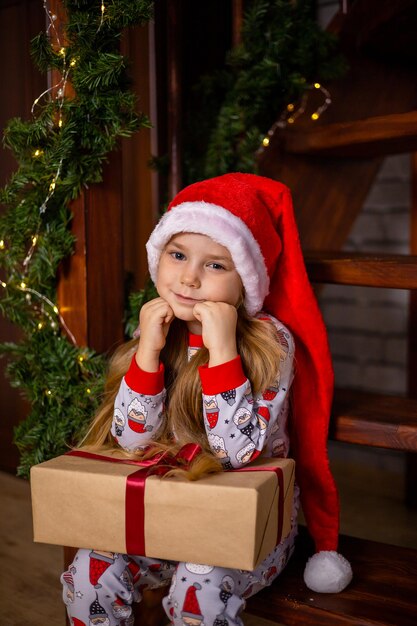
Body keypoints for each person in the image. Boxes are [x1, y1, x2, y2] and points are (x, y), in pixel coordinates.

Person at [61, 173, 352, 626]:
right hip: (164, 510)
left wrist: (223, 352)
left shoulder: (271, 343)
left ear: (246, 282)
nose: (190, 278)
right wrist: (148, 354)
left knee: (200, 582)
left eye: (216, 265)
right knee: (89, 570)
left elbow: (238, 454)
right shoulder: (156, 330)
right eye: (178, 255)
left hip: (244, 527)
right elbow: (133, 442)